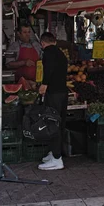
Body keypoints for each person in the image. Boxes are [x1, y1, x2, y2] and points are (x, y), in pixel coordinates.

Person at [38, 32, 68, 171]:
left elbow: (48, 70)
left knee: (52, 123)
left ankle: (57, 160)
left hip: (54, 93)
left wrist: (44, 85)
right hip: (63, 92)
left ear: (43, 43)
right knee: (59, 123)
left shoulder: (48, 53)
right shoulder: (60, 53)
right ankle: (55, 153)